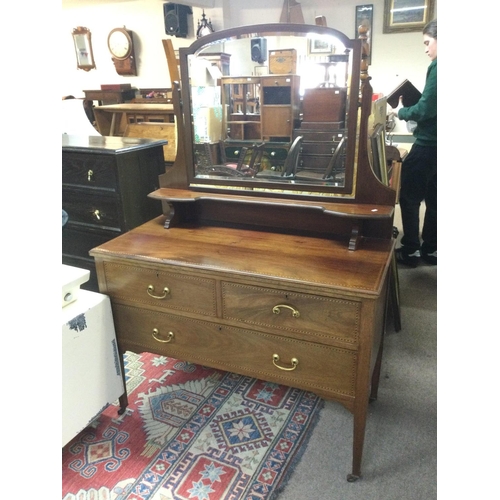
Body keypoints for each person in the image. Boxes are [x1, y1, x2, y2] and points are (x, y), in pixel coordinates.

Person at [390, 19, 437, 267]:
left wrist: (401, 112)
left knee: (408, 197)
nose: (426, 49)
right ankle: (430, 248)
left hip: (429, 143)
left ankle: (410, 250)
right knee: (435, 199)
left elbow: (426, 108)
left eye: (428, 42)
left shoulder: (438, 66)